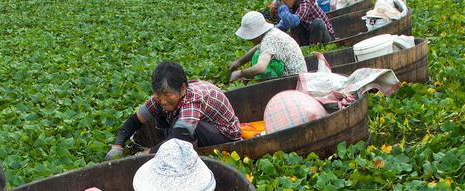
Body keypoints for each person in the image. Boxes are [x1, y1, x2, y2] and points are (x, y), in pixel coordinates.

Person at [104, 62, 242, 161]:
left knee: (182, 127)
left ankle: (183, 156)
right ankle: (166, 146)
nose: (163, 100)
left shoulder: (193, 100)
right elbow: (135, 120)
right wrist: (118, 145)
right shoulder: (160, 98)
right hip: (194, 127)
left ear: (183, 88)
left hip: (225, 135)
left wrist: (146, 154)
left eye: (167, 95)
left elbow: (178, 137)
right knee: (160, 111)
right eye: (158, 95)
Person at [228, 11, 307, 83]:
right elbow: (257, 48)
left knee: (258, 56)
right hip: (299, 76)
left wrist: (240, 73)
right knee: (258, 52)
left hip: (294, 81)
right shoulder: (271, 33)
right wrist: (239, 62)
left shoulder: (269, 40)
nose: (250, 40)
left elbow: (261, 67)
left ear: (257, 33)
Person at [270, 0, 335, 46]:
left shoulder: (305, 3)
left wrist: (281, 7)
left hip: (326, 38)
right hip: (310, 38)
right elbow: (282, 26)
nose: (283, 2)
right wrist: (270, 32)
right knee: (294, 26)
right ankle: (302, 49)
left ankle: (315, 49)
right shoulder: (292, 8)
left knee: (317, 23)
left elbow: (293, 22)